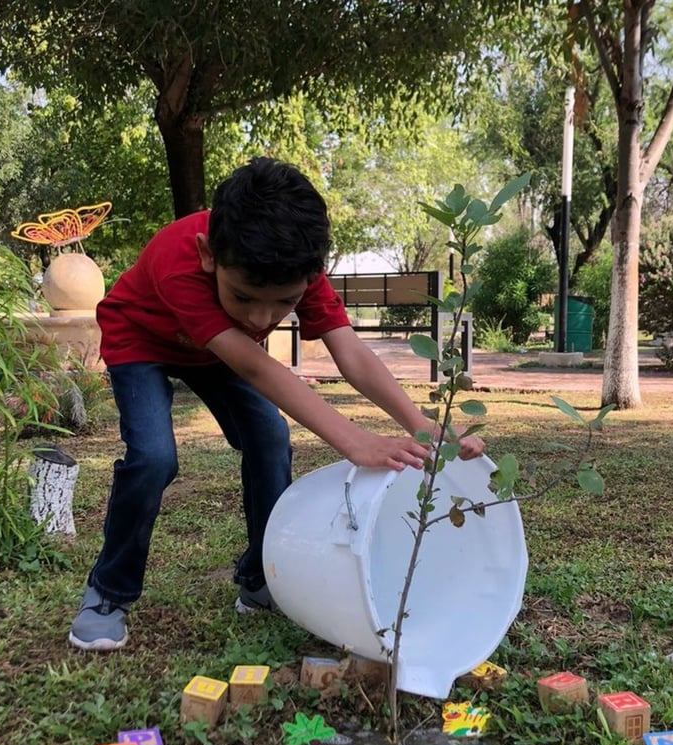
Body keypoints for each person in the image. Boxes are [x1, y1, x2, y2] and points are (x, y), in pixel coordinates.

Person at [69, 156, 484, 651]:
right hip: (142, 340)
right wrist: (354, 441)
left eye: (283, 302)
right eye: (243, 297)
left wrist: (424, 428)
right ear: (208, 255)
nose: (263, 316)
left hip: (215, 350)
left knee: (268, 436)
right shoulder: (178, 257)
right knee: (154, 457)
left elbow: (350, 352)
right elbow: (254, 365)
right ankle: (108, 593)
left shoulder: (295, 268)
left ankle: (260, 578)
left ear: (312, 275)